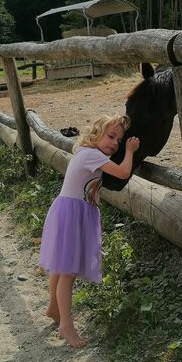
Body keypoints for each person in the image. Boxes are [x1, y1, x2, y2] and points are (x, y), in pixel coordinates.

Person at [39, 114, 139, 348]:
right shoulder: (92, 155)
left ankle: (54, 308)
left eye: (119, 139)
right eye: (111, 136)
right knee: (68, 272)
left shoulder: (85, 152)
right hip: (73, 214)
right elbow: (123, 173)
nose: (115, 143)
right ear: (96, 133)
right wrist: (130, 150)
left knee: (61, 264)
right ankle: (66, 325)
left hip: (70, 211)